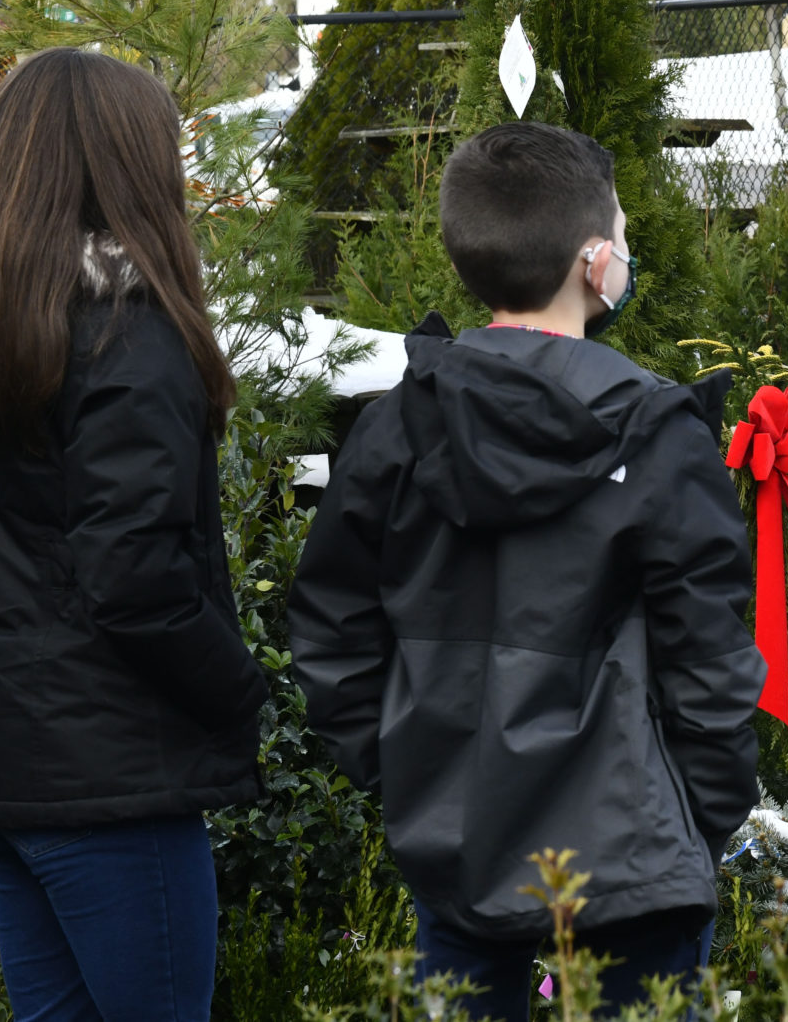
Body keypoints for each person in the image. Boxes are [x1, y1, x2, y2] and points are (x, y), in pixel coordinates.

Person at [289, 123, 762, 1021]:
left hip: (458, 844)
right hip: (636, 864)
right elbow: (711, 661)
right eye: (621, 235)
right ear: (594, 264)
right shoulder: (662, 439)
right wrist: (703, 817)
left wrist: (405, 773)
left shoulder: (395, 427)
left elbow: (329, 629)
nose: (626, 253)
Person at [0, 48, 265, 1022]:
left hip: (7, 752)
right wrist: (241, 691)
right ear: (127, 165)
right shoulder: (126, 335)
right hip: (115, 772)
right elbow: (134, 577)